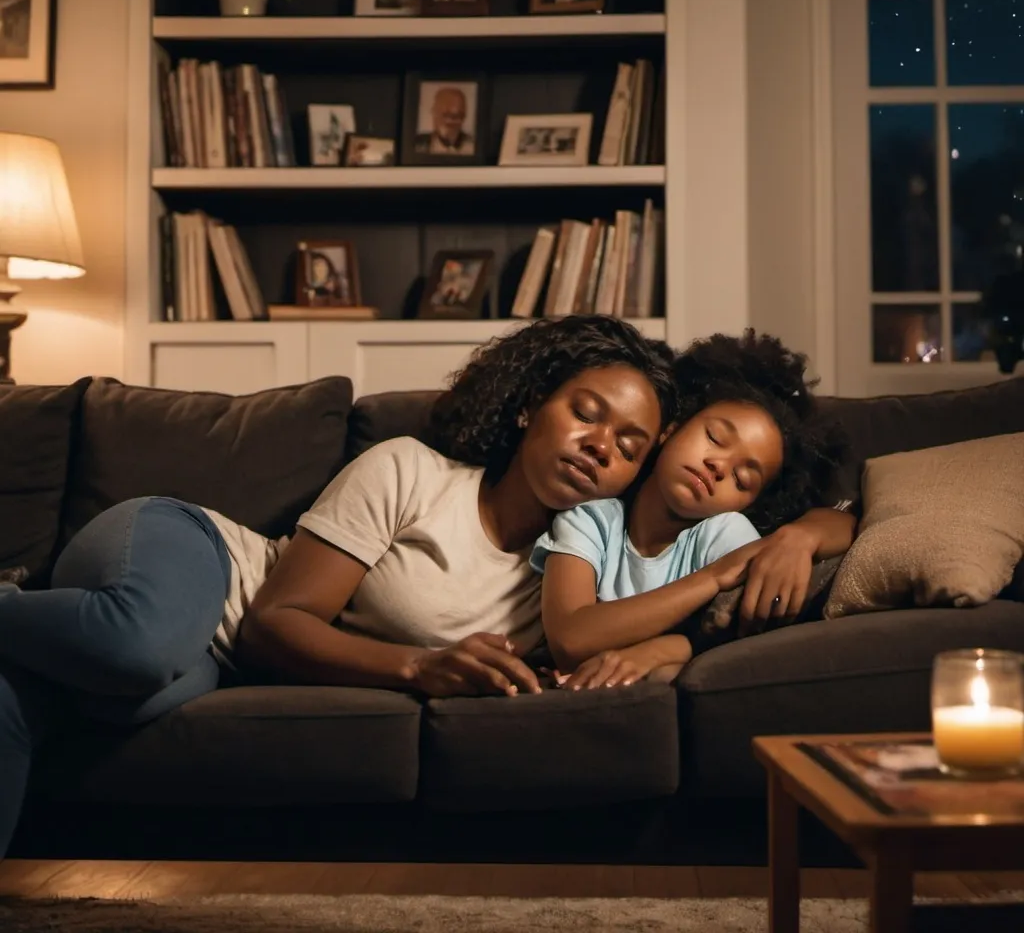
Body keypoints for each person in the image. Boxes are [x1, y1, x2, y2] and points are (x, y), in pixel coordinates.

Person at [0, 315, 680, 859]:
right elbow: (274, 622)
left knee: (44, 702)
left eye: (629, 445)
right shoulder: (412, 471)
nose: (600, 446)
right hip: (191, 553)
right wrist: (419, 667)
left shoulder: (579, 582)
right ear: (533, 406)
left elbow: (674, 628)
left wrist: (670, 644)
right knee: (134, 645)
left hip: (212, 661)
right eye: (587, 413)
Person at [533, 331, 847, 690]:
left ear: (747, 504)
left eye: (742, 479)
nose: (718, 466)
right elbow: (571, 640)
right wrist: (713, 577)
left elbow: (738, 643)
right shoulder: (589, 519)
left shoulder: (726, 532)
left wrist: (656, 652)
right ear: (670, 430)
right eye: (715, 438)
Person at [414, 87, 474, 155]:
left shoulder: (473, 145)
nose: (450, 121)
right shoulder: (418, 144)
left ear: (464, 116)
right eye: (445, 114)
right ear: (434, 112)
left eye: (457, 115)